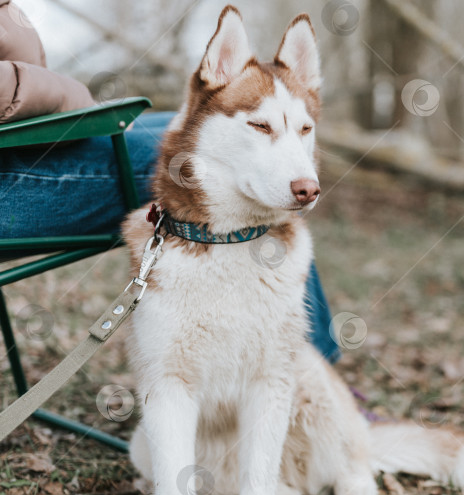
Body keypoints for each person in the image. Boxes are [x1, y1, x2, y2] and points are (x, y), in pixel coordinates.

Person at [0, 0, 340, 363]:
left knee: (187, 126)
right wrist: (75, 102)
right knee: (193, 145)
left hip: (20, 145)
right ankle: (312, 371)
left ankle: (301, 373)